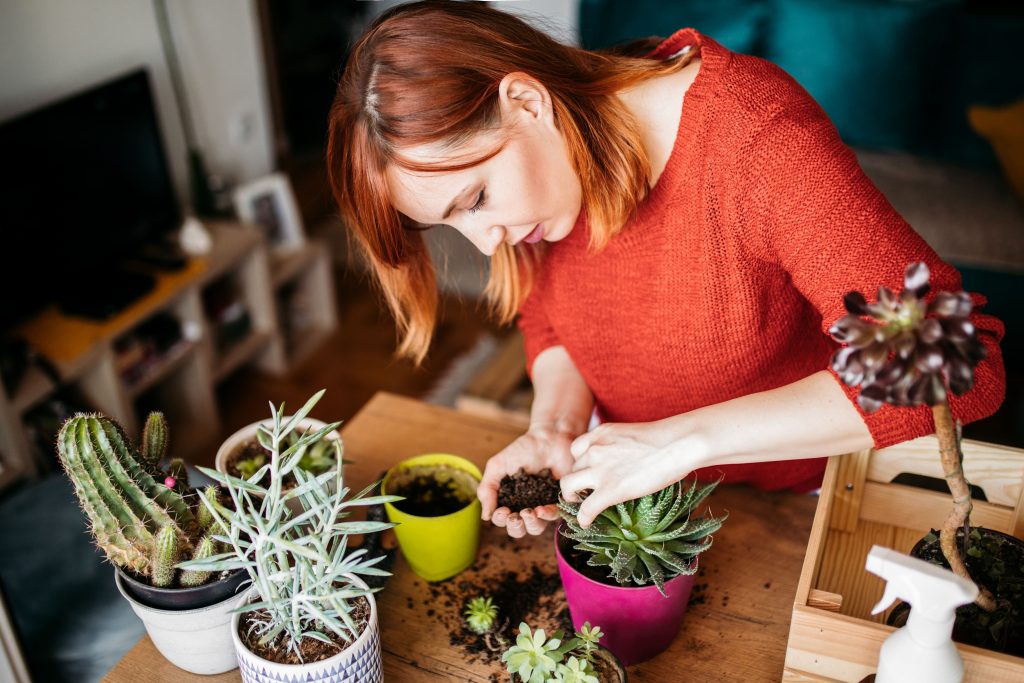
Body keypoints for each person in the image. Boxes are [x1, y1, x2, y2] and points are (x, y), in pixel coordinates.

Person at [327, 1, 1005, 537]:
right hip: (639, 491)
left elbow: (956, 366)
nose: (485, 243)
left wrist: (680, 442)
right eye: (451, 223)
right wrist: (556, 428)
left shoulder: (754, 140)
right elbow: (551, 312)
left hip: (803, 504)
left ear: (527, 102)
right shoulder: (549, 174)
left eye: (474, 199)